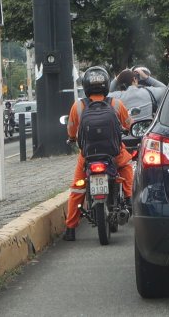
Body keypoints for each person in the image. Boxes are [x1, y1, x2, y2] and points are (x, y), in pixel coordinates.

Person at [64, 66, 135, 241]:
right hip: (114, 155)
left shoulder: (78, 106)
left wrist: (72, 138)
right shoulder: (116, 104)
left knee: (77, 188)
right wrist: (126, 129)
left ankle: (70, 229)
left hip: (88, 156)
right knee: (126, 167)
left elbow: (71, 130)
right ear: (106, 84)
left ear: (86, 86)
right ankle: (130, 200)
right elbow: (129, 124)